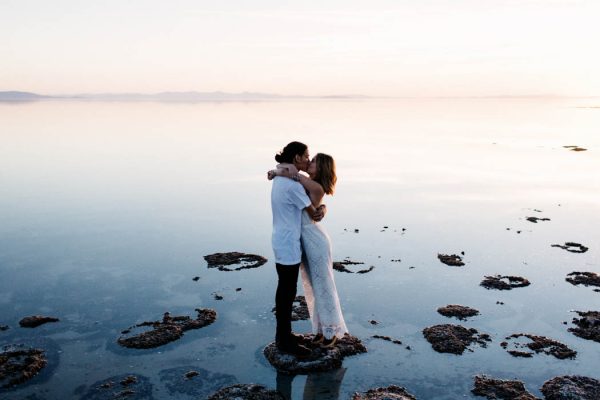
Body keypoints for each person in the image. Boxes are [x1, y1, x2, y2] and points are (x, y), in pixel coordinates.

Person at [269, 153, 348, 349]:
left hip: (314, 238)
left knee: (324, 285)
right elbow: (295, 179)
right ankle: (321, 331)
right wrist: (278, 171)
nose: (309, 162)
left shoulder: (313, 185)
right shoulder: (309, 184)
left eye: (313, 161)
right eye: (309, 159)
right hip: (305, 238)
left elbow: (294, 176)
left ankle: (331, 332)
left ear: (321, 168)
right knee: (314, 286)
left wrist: (276, 172)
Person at [270, 141, 325, 357]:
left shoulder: (280, 179)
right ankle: (283, 341)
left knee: (286, 290)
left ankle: (285, 335)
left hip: (282, 240)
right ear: (296, 159)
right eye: (306, 156)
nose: (308, 160)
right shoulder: (292, 186)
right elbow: (313, 215)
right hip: (287, 243)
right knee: (286, 292)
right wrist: (321, 209)